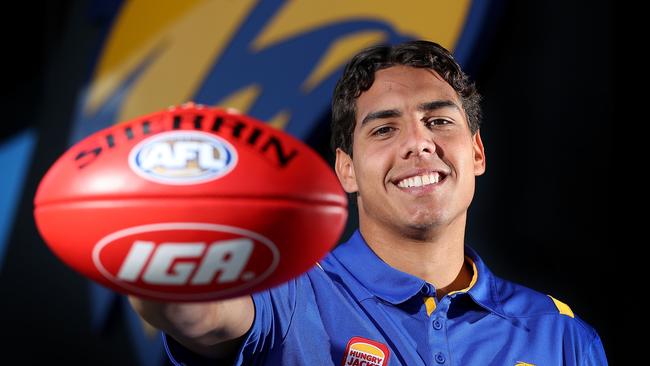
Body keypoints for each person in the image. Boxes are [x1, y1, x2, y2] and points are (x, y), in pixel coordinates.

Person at [129, 40, 608, 365]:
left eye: (439, 121)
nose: (419, 144)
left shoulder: (559, 335)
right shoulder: (290, 294)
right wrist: (171, 211)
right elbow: (192, 314)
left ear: (477, 152)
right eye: (384, 128)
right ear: (347, 169)